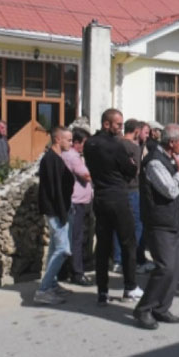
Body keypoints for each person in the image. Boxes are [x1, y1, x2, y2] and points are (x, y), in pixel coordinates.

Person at [83, 108, 143, 306]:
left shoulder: (89, 144)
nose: (120, 128)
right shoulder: (116, 146)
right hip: (118, 197)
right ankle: (130, 287)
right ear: (106, 124)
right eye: (118, 124)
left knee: (102, 245)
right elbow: (131, 169)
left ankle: (102, 291)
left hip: (99, 198)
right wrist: (130, 164)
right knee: (128, 243)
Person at [132, 124, 179, 330]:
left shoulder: (170, 158)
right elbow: (171, 190)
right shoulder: (155, 162)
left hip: (173, 220)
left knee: (175, 268)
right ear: (172, 143)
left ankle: (161, 308)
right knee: (165, 267)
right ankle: (144, 308)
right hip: (159, 223)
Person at [34, 127, 75, 304]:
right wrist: (62, 213)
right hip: (56, 211)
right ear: (58, 140)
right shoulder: (50, 160)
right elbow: (54, 190)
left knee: (54, 249)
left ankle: (51, 284)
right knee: (63, 250)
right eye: (68, 140)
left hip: (60, 209)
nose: (71, 143)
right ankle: (43, 290)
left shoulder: (56, 158)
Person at [60, 127, 94, 286]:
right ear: (77, 143)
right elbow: (86, 175)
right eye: (84, 143)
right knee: (76, 238)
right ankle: (77, 273)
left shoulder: (70, 155)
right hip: (76, 202)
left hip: (76, 201)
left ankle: (65, 271)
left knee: (72, 237)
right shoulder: (72, 157)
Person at [113, 119, 146, 274]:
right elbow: (137, 170)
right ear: (137, 131)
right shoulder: (133, 147)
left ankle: (118, 259)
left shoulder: (117, 144)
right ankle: (132, 259)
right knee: (137, 225)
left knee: (118, 225)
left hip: (118, 188)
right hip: (132, 189)